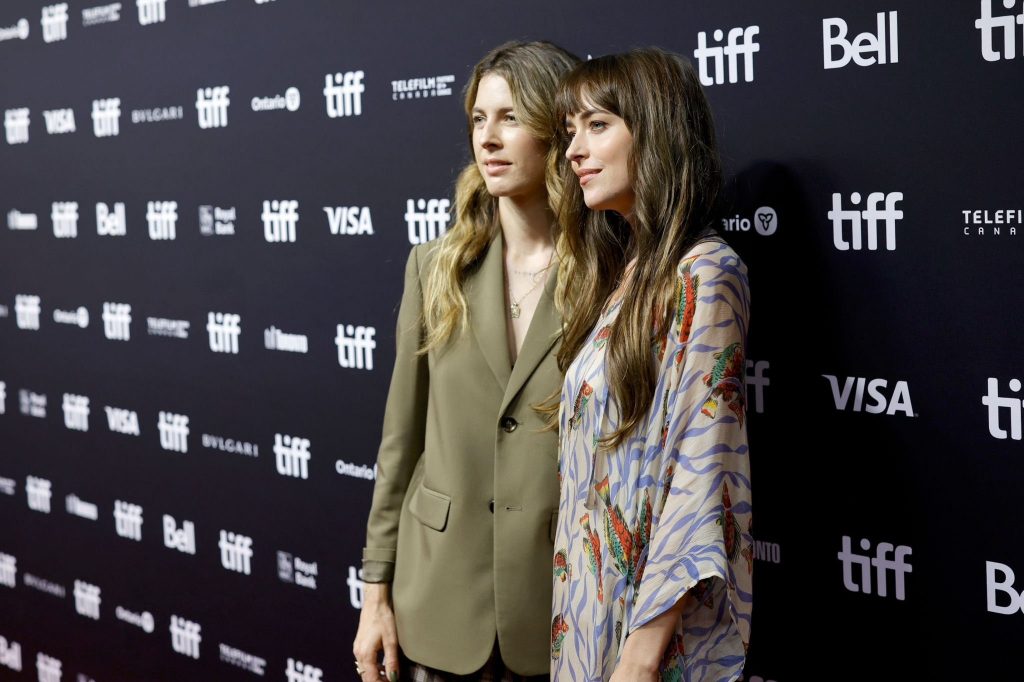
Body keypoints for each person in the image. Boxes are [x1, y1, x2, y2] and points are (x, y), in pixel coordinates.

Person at [353, 41, 580, 682]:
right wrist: (376, 596)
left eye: (510, 116)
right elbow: (401, 443)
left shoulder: (607, 278)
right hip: (437, 603)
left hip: (558, 607)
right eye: (479, 119)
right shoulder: (435, 267)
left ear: (556, 126)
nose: (489, 138)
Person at [551, 48, 753, 681]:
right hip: (584, 611)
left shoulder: (707, 273)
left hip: (647, 635)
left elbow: (701, 472)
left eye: (597, 125)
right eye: (568, 133)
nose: (574, 151)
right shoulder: (620, 279)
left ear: (657, 130)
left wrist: (639, 659)